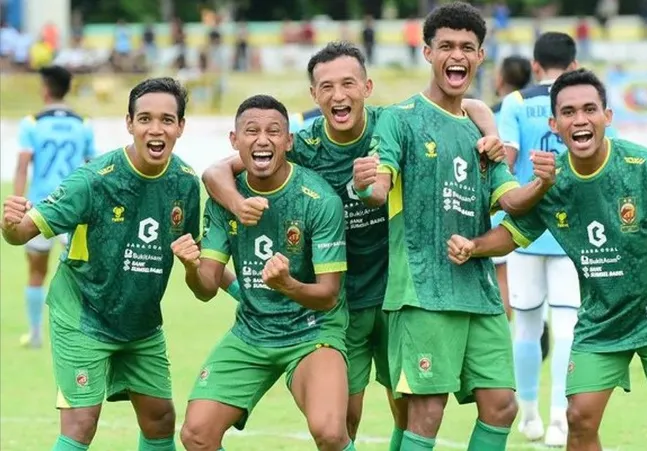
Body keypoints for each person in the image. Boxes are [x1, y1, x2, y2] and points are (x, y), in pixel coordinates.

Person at [200, 40, 505, 450]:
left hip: (400, 293)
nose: (338, 95)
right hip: (341, 299)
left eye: (348, 84)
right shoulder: (303, 144)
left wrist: (492, 130)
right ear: (314, 95)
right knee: (345, 418)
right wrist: (237, 204)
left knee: (407, 405)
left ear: (368, 87)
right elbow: (217, 170)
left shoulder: (393, 125)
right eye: (326, 87)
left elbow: (467, 107)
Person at [454, 68, 647, 451]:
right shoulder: (551, 181)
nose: (580, 120)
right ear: (555, 124)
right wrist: (474, 246)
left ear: (607, 117)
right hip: (601, 320)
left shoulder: (642, 166)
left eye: (590, 109)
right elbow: (512, 233)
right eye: (569, 113)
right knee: (579, 419)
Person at [351, 3, 556, 450]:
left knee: (502, 405)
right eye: (446, 45)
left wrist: (541, 183)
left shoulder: (483, 136)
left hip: (479, 293)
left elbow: (511, 201)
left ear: (481, 56)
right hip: (423, 290)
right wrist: (366, 186)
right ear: (427, 52)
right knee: (426, 412)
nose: (456, 55)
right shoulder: (399, 118)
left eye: (467, 47)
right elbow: (379, 189)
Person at [0, 77, 201, 451]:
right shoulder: (94, 181)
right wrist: (9, 224)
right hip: (83, 314)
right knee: (81, 424)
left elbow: (197, 270)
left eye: (166, 120)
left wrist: (194, 266)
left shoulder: (187, 184)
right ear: (129, 123)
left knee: (160, 419)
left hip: (140, 322)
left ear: (180, 127)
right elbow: (22, 232)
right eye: (144, 119)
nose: (155, 129)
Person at [175, 94, 354, 451]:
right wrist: (191, 266)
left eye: (274, 131)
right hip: (252, 332)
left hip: (312, 331)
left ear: (288, 141)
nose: (262, 139)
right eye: (251, 131)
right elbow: (206, 287)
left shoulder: (318, 201)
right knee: (196, 435)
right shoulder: (225, 201)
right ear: (234, 140)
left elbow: (329, 295)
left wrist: (287, 284)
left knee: (331, 433)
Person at [497, 32, 619, 445]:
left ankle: (527, 415)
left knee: (527, 328)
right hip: (575, 235)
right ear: (572, 65)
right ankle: (558, 420)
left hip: (526, 231)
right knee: (567, 327)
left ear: (535, 65)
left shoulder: (515, 103)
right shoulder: (588, 104)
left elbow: (505, 163)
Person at [13, 65, 96, 349]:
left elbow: (23, 165)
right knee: (80, 273)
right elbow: (92, 168)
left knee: (37, 271)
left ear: (45, 89)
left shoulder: (32, 123)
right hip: (74, 210)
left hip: (40, 209)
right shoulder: (83, 123)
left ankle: (35, 333)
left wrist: (17, 204)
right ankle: (83, 333)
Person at [488, 55, 532, 320]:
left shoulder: (489, 114)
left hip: (502, 206)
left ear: (501, 79)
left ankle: (506, 337)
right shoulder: (541, 109)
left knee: (501, 277)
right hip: (534, 207)